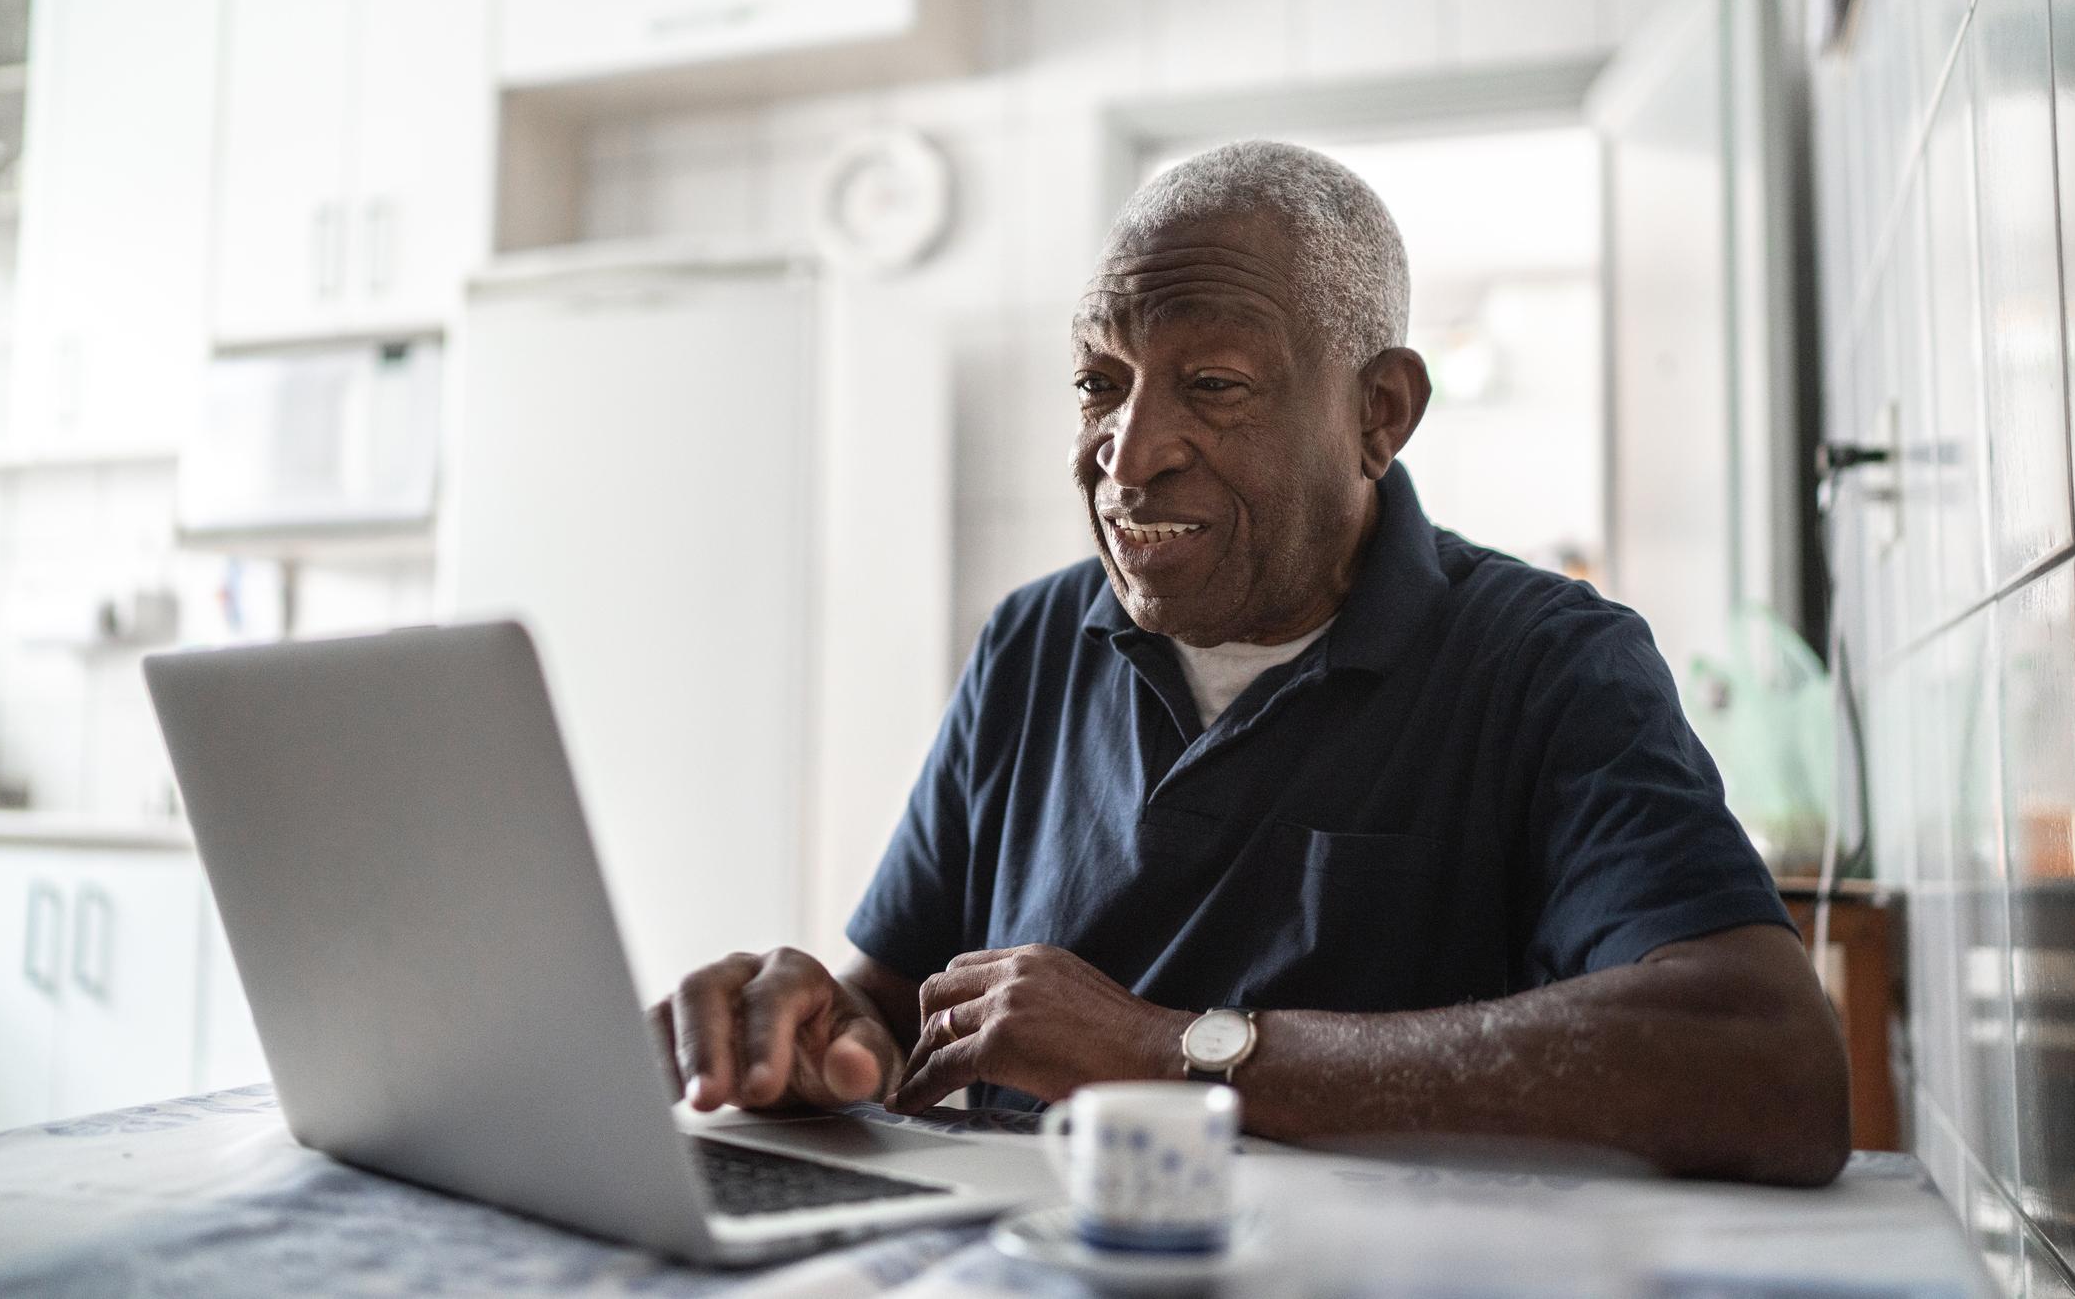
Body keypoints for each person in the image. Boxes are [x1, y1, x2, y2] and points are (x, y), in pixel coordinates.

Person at [648, 140, 1850, 1186]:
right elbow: (896, 1010)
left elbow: (1766, 1062)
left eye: (1211, 386)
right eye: (1098, 383)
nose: (1126, 455)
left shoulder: (1548, 664)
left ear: (1379, 413)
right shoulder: (1030, 641)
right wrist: (809, 1039)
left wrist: (1174, 1052)